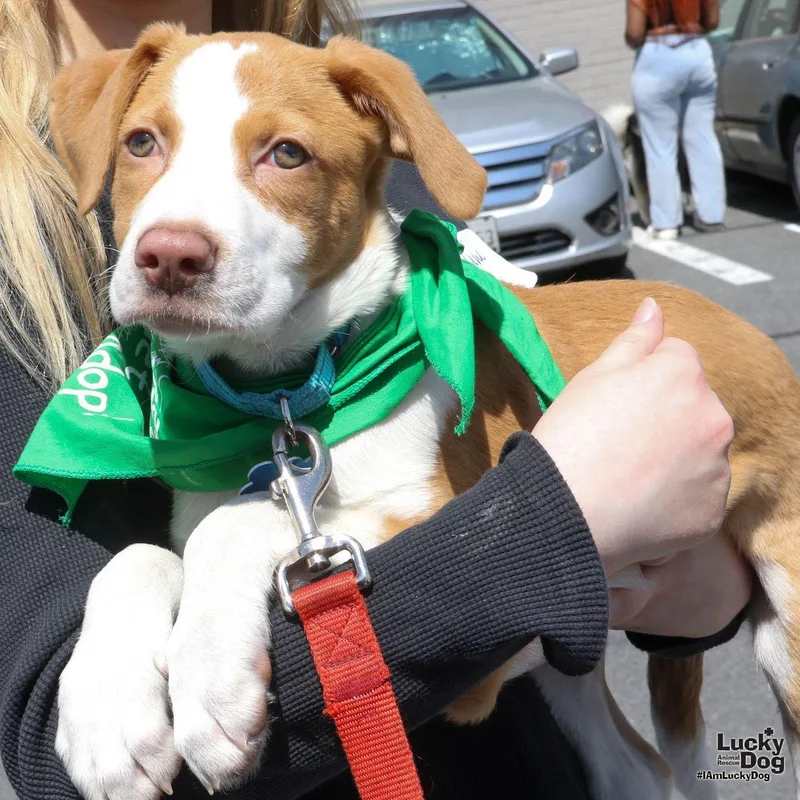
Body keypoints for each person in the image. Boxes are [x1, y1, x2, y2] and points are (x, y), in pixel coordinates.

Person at [0, 1, 750, 799]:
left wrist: (699, 598)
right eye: (144, 144)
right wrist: (550, 538)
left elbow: (608, 544)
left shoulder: (345, 104)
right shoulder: (27, 261)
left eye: (282, 153)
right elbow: (66, 755)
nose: (172, 238)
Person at [626, 0, 726, 239]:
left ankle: (667, 223)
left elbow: (634, 33)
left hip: (657, 55)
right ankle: (711, 215)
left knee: (660, 146)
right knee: (703, 137)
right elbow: (712, 22)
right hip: (696, 51)